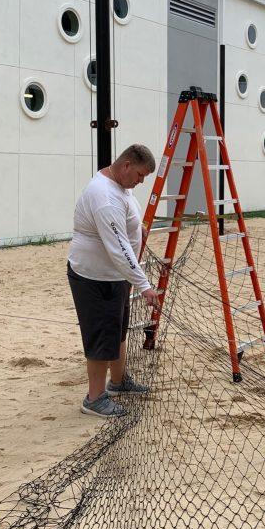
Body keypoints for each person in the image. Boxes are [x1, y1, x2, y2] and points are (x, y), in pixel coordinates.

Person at [68, 144, 162, 418]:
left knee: (117, 329)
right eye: (140, 175)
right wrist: (144, 286)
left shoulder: (121, 186)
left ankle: (119, 382)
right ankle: (94, 399)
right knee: (100, 337)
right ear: (126, 166)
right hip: (95, 276)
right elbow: (118, 248)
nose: (141, 182)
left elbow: (125, 220)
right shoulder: (104, 196)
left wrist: (138, 227)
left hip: (115, 275)